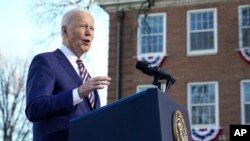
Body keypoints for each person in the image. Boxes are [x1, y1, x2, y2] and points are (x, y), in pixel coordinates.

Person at [25, 8, 111, 141]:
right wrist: (78, 93)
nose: (89, 33)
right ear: (65, 31)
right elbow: (34, 108)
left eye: (92, 28)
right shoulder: (46, 61)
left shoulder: (86, 75)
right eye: (83, 26)